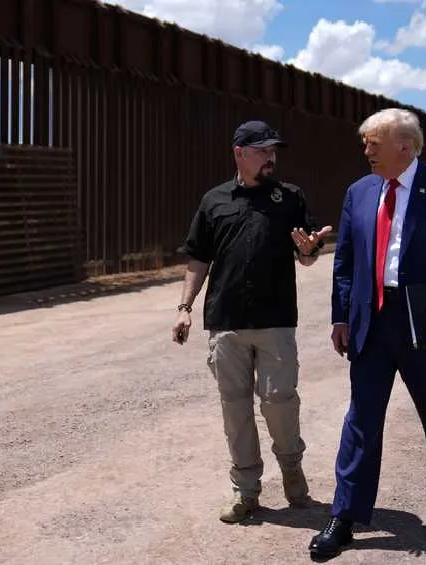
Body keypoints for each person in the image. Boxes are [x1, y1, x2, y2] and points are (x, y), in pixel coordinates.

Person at [309, 108, 426, 559]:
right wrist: (340, 317)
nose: (365, 150)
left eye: (374, 142)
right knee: (361, 420)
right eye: (365, 142)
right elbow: (345, 261)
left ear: (404, 147)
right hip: (373, 321)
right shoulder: (359, 192)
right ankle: (345, 516)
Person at [173, 120, 332, 523]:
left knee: (280, 405)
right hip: (225, 324)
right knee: (236, 411)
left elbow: (307, 255)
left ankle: (294, 479)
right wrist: (185, 307)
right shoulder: (214, 201)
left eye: (273, 151)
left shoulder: (290, 198)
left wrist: (310, 251)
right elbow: (198, 258)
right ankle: (246, 492)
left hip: (276, 321)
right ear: (240, 153)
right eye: (263, 151)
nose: (271, 158)